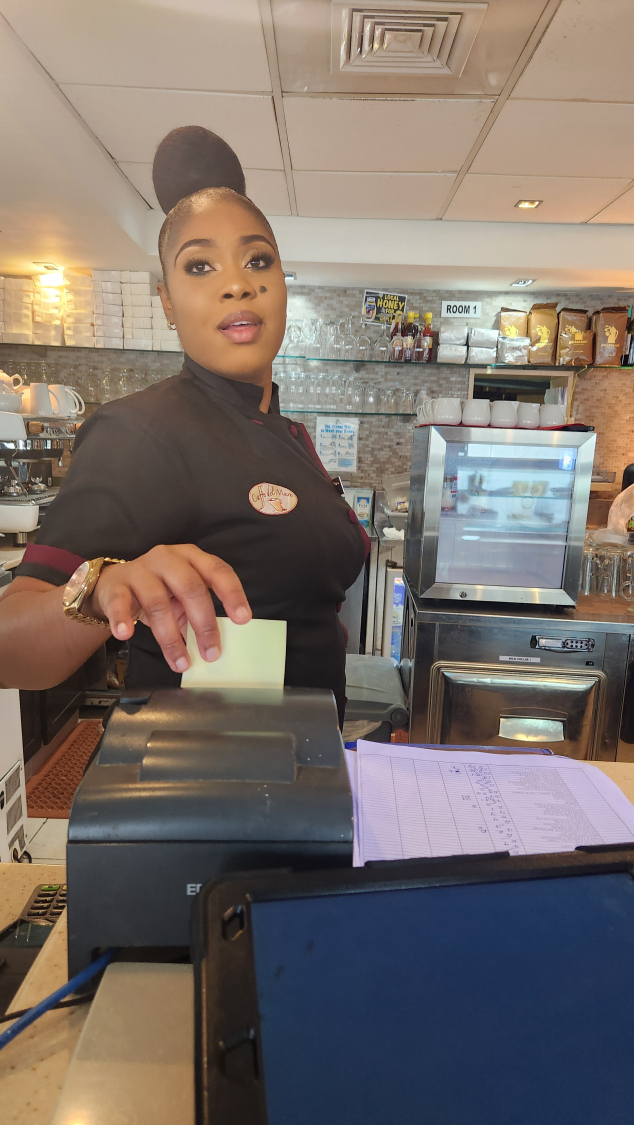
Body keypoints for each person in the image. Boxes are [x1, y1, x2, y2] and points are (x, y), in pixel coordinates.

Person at [0, 127, 368, 725]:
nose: (237, 283)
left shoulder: (283, 432)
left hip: (303, 763)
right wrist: (102, 587)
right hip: (205, 769)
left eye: (258, 260)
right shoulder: (139, 433)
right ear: (167, 302)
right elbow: (10, 644)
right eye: (200, 266)